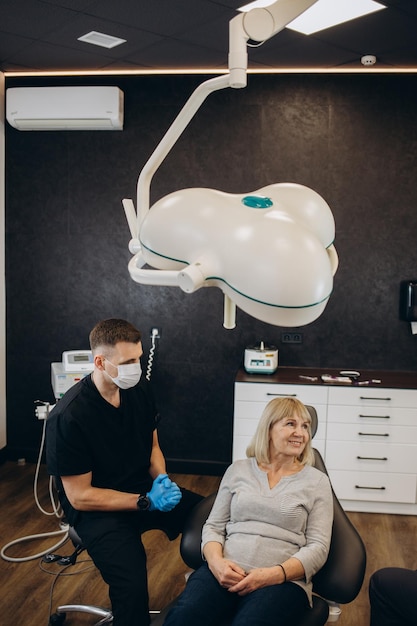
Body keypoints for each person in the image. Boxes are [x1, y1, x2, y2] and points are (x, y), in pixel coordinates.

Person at [46, 318, 203, 626]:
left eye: (139, 358)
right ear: (100, 362)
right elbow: (80, 497)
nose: (137, 366)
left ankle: (212, 593)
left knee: (211, 514)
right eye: (128, 361)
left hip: (144, 488)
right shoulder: (69, 417)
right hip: (98, 512)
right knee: (131, 588)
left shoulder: (139, 389)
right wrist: (144, 501)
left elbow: (153, 446)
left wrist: (162, 480)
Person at [163, 396, 334, 626]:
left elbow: (318, 547)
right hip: (224, 572)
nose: (301, 433)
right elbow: (213, 526)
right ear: (269, 428)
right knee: (184, 618)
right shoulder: (238, 470)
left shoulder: (317, 482)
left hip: (281, 582)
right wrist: (216, 563)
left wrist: (274, 574)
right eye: (291, 424)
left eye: (305, 426)